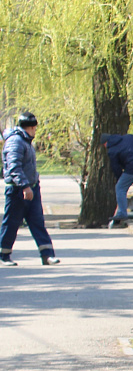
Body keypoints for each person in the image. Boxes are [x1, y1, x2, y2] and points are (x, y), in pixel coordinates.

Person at [1, 112, 58, 266]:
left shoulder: (25, 141)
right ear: (32, 127)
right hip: (18, 190)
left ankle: (47, 255)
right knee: (12, 223)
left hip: (31, 188)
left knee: (37, 222)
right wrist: (25, 186)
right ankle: (4, 255)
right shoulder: (15, 142)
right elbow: (14, 167)